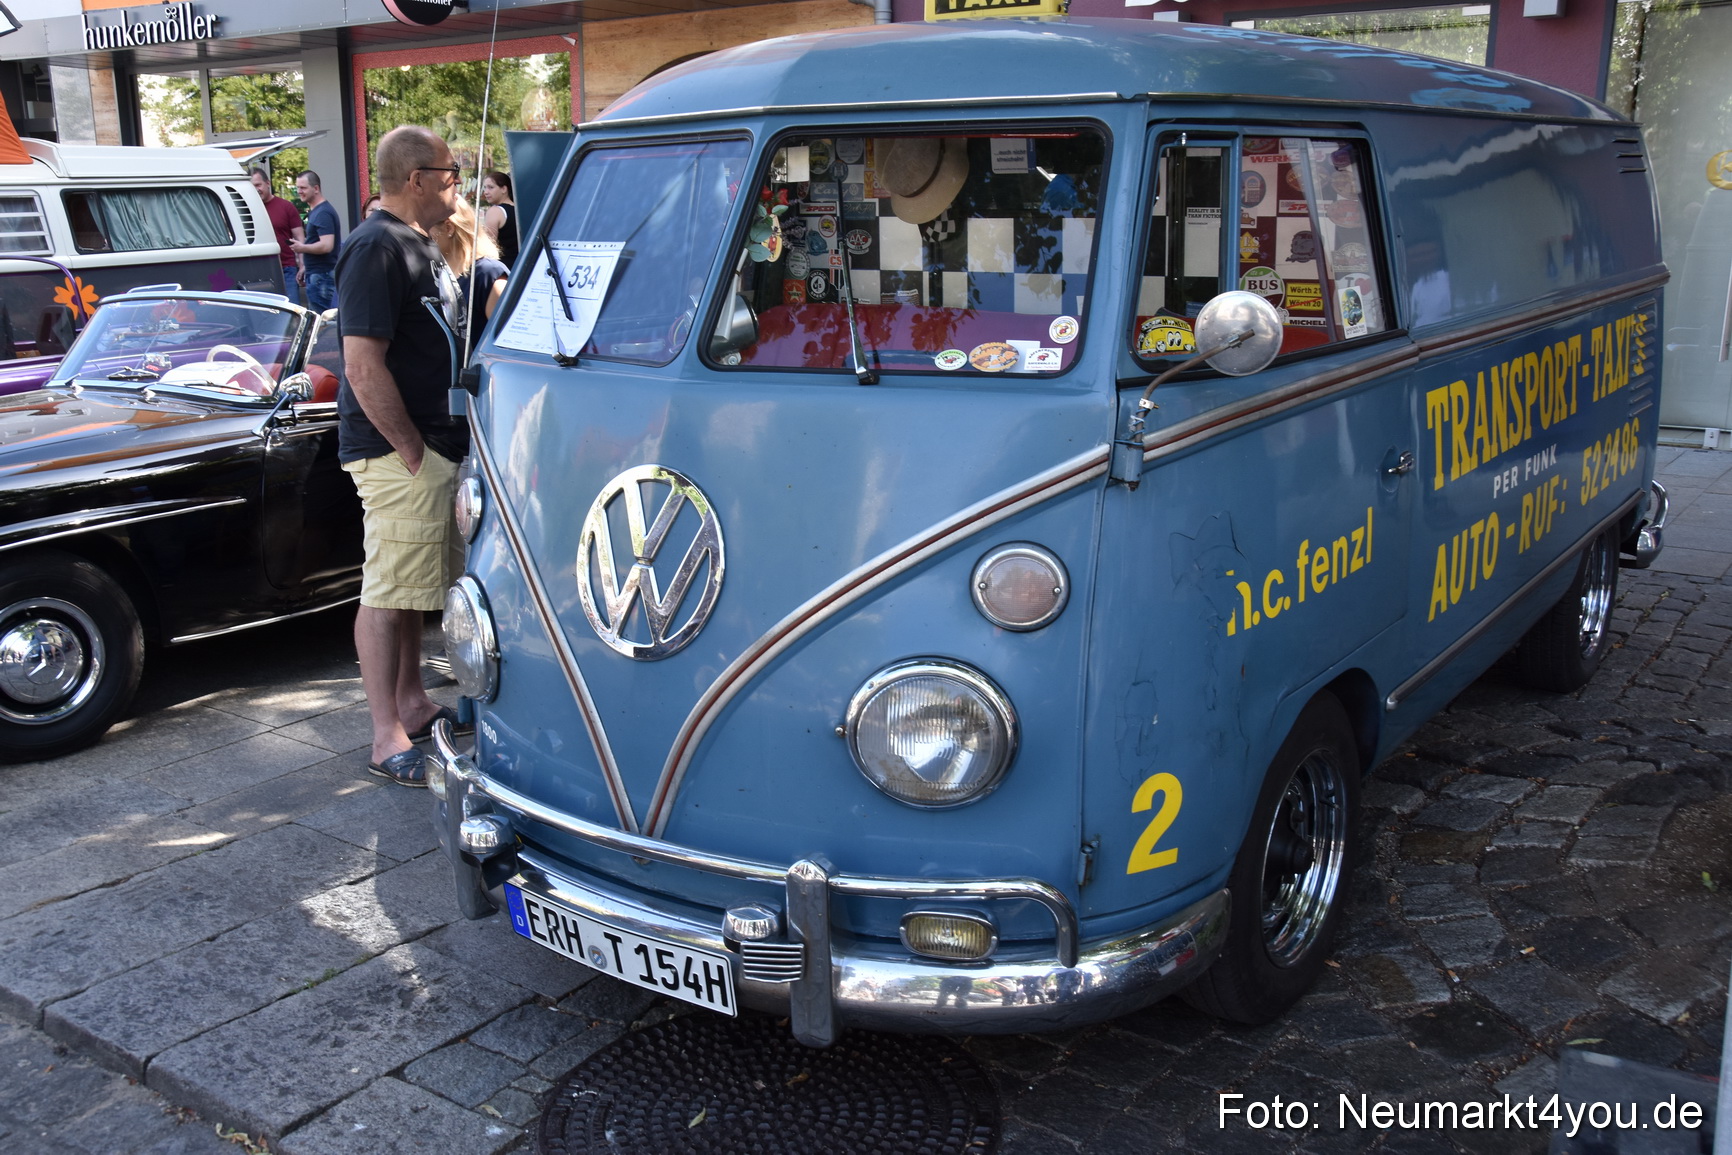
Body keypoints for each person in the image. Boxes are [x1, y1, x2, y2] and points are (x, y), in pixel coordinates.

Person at [334, 125, 465, 787]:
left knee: (413, 587)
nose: (458, 185)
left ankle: (412, 703)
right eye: (450, 173)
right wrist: (411, 449)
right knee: (388, 591)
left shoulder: (418, 243)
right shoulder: (373, 247)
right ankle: (386, 735)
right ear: (415, 178)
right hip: (398, 453)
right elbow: (361, 365)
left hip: (429, 446)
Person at [435, 198, 508, 353]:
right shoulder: (439, 273)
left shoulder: (488, 274)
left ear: (449, 228)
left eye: (426, 226)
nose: (419, 233)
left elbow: (506, 344)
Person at [250, 166, 305, 306]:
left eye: (258, 185)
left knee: (292, 309)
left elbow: (299, 237)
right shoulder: (246, 210)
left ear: (268, 183)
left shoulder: (286, 207)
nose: (256, 189)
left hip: (286, 269)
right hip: (259, 271)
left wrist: (303, 265)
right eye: (252, 186)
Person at [290, 170, 342, 313]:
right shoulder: (317, 211)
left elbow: (326, 245)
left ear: (316, 188)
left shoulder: (323, 213)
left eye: (303, 188)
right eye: (298, 188)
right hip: (317, 274)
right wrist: (305, 267)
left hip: (322, 276)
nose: (299, 191)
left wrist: (302, 247)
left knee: (322, 321)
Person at [480, 170, 519, 268]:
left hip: (503, 268)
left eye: (491, 187)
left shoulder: (495, 211)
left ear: (504, 189)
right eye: (485, 188)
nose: (486, 192)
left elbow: (488, 246)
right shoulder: (519, 210)